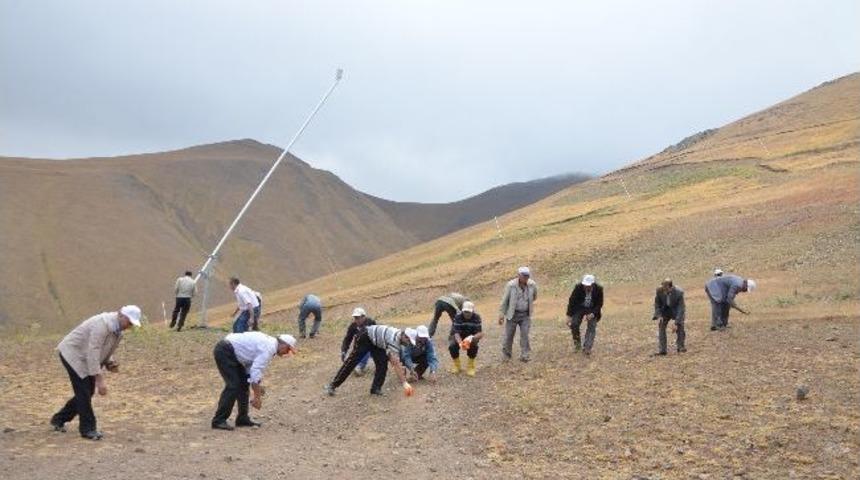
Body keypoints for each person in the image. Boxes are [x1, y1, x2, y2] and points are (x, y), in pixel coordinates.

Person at [50, 305, 143, 440]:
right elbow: (93, 352)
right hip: (72, 354)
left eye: (132, 324)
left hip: (85, 357)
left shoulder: (118, 331)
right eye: (129, 322)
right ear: (120, 315)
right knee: (84, 392)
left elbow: (105, 348)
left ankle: (59, 419)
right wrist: (100, 380)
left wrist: (110, 362)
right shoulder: (102, 325)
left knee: (87, 392)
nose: (129, 326)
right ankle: (88, 429)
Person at [211, 332, 297, 430]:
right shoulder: (269, 348)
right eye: (288, 349)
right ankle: (218, 420)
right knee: (233, 386)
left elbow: (251, 366)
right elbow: (256, 370)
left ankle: (242, 419)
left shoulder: (270, 345)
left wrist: (256, 385)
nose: (286, 353)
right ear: (283, 344)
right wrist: (257, 397)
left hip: (234, 353)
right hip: (226, 351)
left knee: (243, 384)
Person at [325, 322, 416, 397]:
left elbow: (397, 360)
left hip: (377, 343)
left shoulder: (399, 336)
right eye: (409, 341)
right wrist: (404, 383)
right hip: (365, 336)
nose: (408, 344)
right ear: (405, 336)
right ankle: (332, 385)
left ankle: (375, 389)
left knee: (382, 363)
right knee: (352, 362)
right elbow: (395, 363)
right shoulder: (393, 340)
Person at [499, 266, 538, 362]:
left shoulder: (532, 285)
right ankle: (506, 355)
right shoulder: (511, 285)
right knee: (509, 335)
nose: (526, 278)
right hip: (512, 314)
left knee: (525, 334)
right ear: (519, 275)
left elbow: (534, 296)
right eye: (524, 276)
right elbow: (505, 300)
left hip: (525, 314)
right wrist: (501, 314)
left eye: (527, 276)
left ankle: (525, 355)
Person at [565, 274, 604, 355]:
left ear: (593, 284)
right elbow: (572, 301)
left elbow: (599, 304)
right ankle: (577, 345)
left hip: (592, 309)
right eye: (585, 285)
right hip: (580, 308)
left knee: (592, 326)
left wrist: (593, 314)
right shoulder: (578, 287)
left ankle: (587, 348)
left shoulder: (599, 289)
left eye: (588, 286)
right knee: (574, 324)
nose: (586, 287)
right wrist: (569, 316)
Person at [449, 301, 484, 376]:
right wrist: (460, 343)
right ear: (462, 311)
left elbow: (480, 333)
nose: (466, 313)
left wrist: (471, 338)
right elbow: (456, 332)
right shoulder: (458, 317)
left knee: (474, 346)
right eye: (465, 311)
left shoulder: (477, 317)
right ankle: (457, 365)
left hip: (471, 336)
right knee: (452, 346)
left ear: (472, 311)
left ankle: (470, 366)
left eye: (468, 312)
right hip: (459, 335)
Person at [652, 278, 686, 355]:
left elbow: (681, 309)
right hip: (665, 311)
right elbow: (657, 304)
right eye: (663, 289)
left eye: (666, 289)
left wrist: (676, 323)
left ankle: (680, 347)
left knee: (680, 326)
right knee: (661, 326)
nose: (664, 291)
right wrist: (659, 315)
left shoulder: (679, 292)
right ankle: (662, 350)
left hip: (676, 311)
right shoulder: (659, 291)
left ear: (671, 287)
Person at [340, 308, 375, 376]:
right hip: (359, 347)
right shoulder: (353, 326)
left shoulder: (371, 322)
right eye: (355, 318)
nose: (356, 320)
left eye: (358, 318)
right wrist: (343, 351)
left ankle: (361, 366)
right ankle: (357, 366)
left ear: (363, 317)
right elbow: (347, 339)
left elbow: (377, 333)